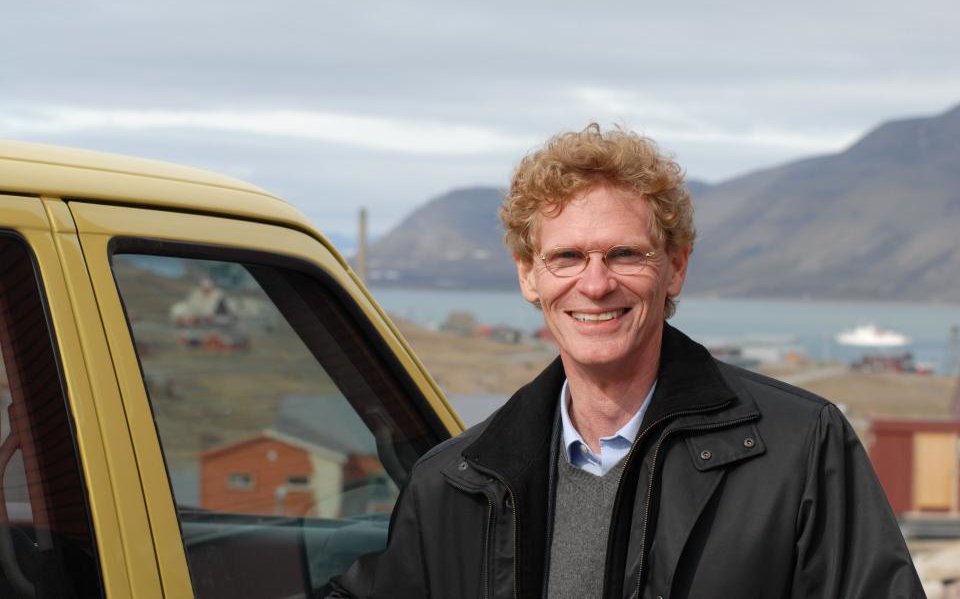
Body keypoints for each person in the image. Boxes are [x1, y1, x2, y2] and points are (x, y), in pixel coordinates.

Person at [330, 125, 924, 598]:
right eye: (566, 256)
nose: (595, 284)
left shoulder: (800, 450)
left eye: (624, 254)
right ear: (528, 276)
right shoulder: (455, 483)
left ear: (676, 267)